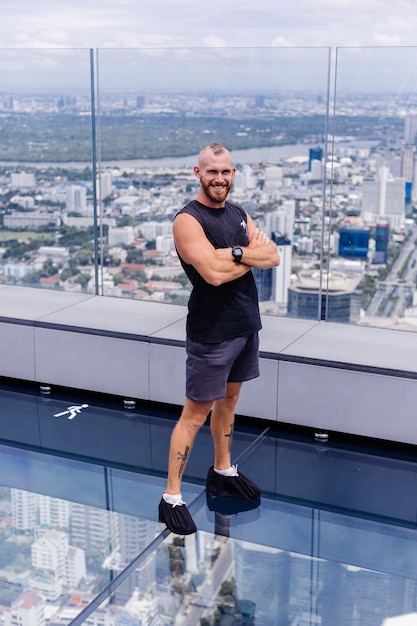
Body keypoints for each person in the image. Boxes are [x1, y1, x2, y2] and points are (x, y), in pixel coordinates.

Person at [158, 142, 280, 535]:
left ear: (233, 172)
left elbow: (273, 256)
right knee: (194, 415)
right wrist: (247, 255)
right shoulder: (187, 221)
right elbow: (211, 274)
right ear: (198, 173)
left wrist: (235, 254)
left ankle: (222, 470)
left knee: (229, 403)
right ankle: (171, 497)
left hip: (245, 324)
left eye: (226, 171)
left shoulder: (238, 213)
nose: (220, 178)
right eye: (212, 171)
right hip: (211, 332)